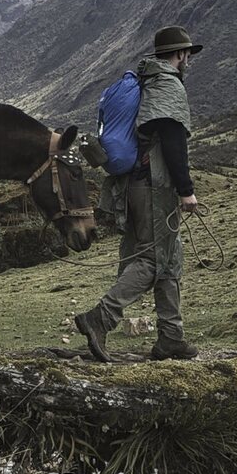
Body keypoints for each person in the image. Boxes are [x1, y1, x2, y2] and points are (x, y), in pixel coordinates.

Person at [75, 25, 201, 362]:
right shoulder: (168, 85)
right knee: (155, 258)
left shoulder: (144, 81)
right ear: (180, 55)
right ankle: (99, 319)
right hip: (154, 186)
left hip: (132, 184)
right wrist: (186, 191)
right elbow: (173, 142)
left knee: (169, 256)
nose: (188, 60)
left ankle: (171, 337)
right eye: (187, 54)